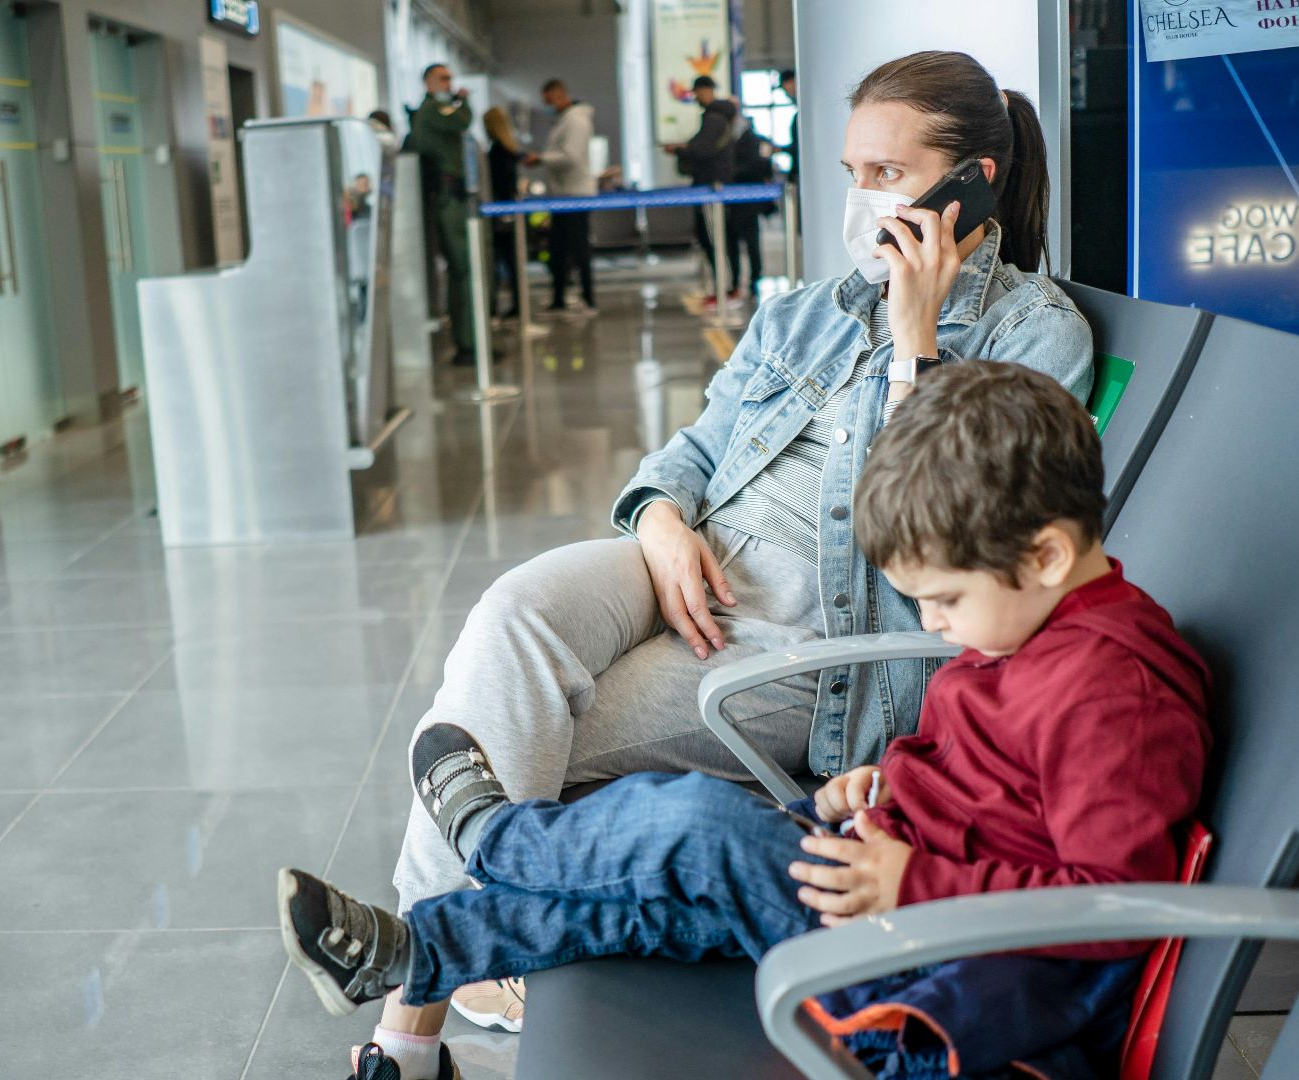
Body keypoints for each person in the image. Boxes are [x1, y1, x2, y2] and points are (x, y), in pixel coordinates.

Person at [371, 49, 1094, 1076]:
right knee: (513, 615)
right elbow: (696, 451)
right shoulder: (804, 308)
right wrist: (661, 518)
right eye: (852, 172)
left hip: (808, 632)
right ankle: (454, 971)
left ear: (970, 180)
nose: (860, 199)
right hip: (691, 558)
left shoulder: (1034, 332)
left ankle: (405, 1027)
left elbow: (933, 538)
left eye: (887, 175)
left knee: (515, 742)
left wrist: (913, 345)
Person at [281, 361, 1210, 1080]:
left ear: (1046, 554)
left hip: (932, 983)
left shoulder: (1110, 695)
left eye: (943, 600)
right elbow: (1000, 786)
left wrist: (911, 881)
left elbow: (1113, 904)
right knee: (653, 901)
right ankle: (419, 952)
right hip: (887, 907)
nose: (932, 626)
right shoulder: (1030, 631)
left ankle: (500, 838)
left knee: (697, 829)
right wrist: (888, 786)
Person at [404, 63, 482, 367]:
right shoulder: (433, 111)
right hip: (448, 198)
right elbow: (462, 121)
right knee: (464, 268)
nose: (449, 84)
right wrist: (464, 102)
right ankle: (467, 342)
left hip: (452, 196)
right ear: (428, 82)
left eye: (451, 78)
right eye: (443, 79)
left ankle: (469, 340)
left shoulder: (436, 110)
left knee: (463, 270)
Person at [663, 75, 743, 306]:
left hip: (711, 188)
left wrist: (679, 151)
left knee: (716, 238)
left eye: (697, 92)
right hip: (714, 186)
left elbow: (702, 151)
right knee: (719, 238)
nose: (696, 97)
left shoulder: (714, 118)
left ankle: (727, 290)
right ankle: (726, 288)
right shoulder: (719, 117)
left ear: (706, 91)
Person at [527, 78, 597, 315]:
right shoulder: (564, 120)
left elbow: (571, 157)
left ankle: (589, 298)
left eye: (548, 101)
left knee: (579, 249)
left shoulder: (576, 120)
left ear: (559, 95)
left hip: (575, 195)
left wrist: (542, 158)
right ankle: (558, 298)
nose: (547, 105)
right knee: (557, 249)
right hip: (561, 195)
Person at [482, 106, 524, 319]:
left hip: (501, 214)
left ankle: (496, 307)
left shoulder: (497, 153)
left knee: (502, 262)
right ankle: (515, 305)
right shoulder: (508, 150)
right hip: (508, 212)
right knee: (510, 261)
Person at [726, 120, 775, 296]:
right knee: (739, 242)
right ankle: (740, 280)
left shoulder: (751, 140)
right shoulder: (735, 140)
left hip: (746, 200)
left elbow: (759, 166)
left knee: (750, 241)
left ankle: (753, 279)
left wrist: (731, 173)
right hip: (736, 200)